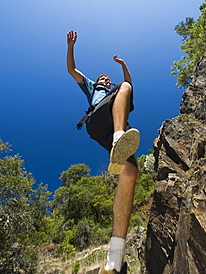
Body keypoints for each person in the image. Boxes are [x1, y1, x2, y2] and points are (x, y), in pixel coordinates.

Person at [66, 30, 140, 274]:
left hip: (112, 126)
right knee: (125, 87)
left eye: (108, 79)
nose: (106, 81)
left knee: (129, 172)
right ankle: (119, 137)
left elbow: (128, 80)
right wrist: (70, 46)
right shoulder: (92, 88)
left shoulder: (114, 89)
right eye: (103, 79)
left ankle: (114, 259)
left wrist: (123, 64)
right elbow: (72, 70)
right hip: (98, 119)